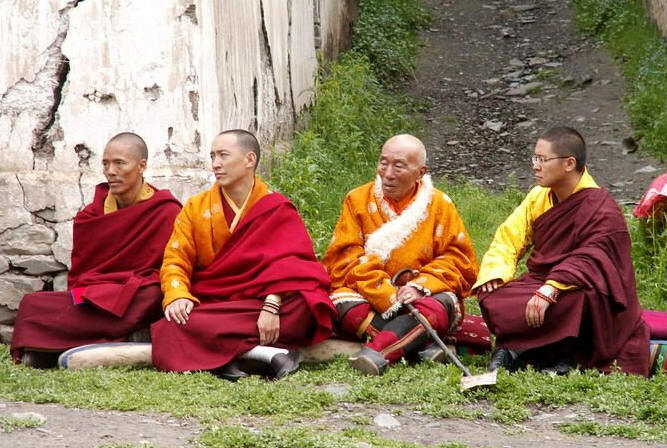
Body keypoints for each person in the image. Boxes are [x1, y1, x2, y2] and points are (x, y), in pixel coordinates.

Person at [151, 129, 336, 380]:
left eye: (223, 155)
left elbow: (294, 265)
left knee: (309, 303)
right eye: (213, 156)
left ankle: (225, 354)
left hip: (266, 301)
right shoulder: (196, 208)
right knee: (173, 323)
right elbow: (176, 259)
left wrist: (272, 305)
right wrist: (177, 295)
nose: (215, 164)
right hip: (219, 303)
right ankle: (267, 354)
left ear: (250, 160)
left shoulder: (276, 208)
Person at [474, 126, 650, 376]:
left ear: (569, 163)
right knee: (494, 296)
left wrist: (553, 286)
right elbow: (508, 239)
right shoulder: (538, 197)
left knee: (580, 301)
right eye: (534, 158)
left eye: (542, 160)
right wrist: (495, 273)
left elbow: (594, 258)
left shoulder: (601, 207)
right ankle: (524, 349)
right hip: (540, 282)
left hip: (579, 288)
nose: (535, 166)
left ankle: (546, 350)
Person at [11, 132, 182, 367]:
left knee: (153, 293)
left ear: (141, 166)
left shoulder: (166, 211)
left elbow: (171, 267)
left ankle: (52, 344)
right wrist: (95, 292)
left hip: (135, 292)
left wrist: (126, 288)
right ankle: (127, 334)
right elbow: (81, 274)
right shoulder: (91, 215)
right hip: (97, 294)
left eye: (120, 163)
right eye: (105, 163)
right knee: (32, 303)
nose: (110, 171)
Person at [321, 134, 478, 375]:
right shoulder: (357, 199)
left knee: (441, 304)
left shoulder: (439, 205)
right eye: (384, 163)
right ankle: (422, 345)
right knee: (345, 305)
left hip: (422, 296)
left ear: (421, 172)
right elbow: (345, 257)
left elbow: (457, 259)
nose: (388, 173)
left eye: (399, 165)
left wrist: (420, 286)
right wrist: (386, 293)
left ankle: (377, 353)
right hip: (370, 291)